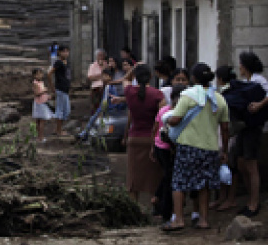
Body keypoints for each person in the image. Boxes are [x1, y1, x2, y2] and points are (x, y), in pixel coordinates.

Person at [162, 63, 230, 232]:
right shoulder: (219, 99)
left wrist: (167, 119)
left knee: (179, 182)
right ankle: (203, 220)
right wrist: (224, 150)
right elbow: (225, 128)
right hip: (210, 148)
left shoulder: (188, 96)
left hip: (189, 146)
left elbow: (176, 119)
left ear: (193, 78)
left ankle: (178, 219)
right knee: (204, 185)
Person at [236, 51, 268, 217]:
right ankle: (250, 200)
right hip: (245, 126)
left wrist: (259, 105)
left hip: (253, 127)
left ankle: (254, 203)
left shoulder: (258, 80)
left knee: (251, 164)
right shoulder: (248, 81)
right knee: (241, 162)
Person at [123, 65, 166, 202]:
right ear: (151, 77)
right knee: (153, 177)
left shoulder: (129, 92)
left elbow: (125, 79)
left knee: (133, 178)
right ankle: (154, 207)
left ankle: (134, 207)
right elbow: (161, 119)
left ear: (135, 77)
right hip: (151, 140)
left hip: (134, 139)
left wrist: (134, 68)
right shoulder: (158, 94)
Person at [151, 84, 186, 221]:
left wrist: (153, 147)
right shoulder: (175, 113)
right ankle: (166, 211)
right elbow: (156, 129)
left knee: (168, 177)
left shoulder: (164, 110)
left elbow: (155, 130)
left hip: (161, 147)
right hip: (167, 148)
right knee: (170, 179)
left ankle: (159, 200)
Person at [209, 65, 242, 212]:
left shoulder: (224, 95)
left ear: (220, 79)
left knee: (230, 166)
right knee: (224, 166)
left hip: (229, 134)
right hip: (229, 134)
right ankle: (223, 197)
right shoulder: (233, 92)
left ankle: (230, 198)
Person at [77, 71, 125, 141]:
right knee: (93, 120)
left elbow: (107, 100)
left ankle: (85, 135)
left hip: (108, 108)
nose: (103, 78)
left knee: (95, 121)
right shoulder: (107, 87)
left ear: (110, 77)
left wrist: (102, 110)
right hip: (105, 108)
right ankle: (85, 134)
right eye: (103, 76)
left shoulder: (110, 87)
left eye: (105, 76)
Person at [48, 45, 71, 136]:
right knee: (60, 110)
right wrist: (52, 87)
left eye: (67, 51)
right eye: (63, 51)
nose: (66, 53)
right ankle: (59, 130)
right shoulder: (58, 62)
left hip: (65, 89)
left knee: (66, 110)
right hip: (60, 89)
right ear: (59, 52)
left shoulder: (66, 63)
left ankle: (58, 128)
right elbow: (49, 73)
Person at [31, 68, 53, 143]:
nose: (40, 75)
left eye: (41, 74)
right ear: (34, 75)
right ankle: (41, 137)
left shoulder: (41, 82)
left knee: (39, 121)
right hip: (40, 104)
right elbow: (37, 93)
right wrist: (44, 91)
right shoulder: (35, 83)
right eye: (37, 74)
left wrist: (47, 96)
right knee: (41, 121)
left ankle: (39, 136)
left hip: (42, 102)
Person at [87, 49, 108, 114]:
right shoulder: (92, 65)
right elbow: (90, 77)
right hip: (95, 88)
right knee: (95, 106)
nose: (101, 57)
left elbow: (108, 77)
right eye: (99, 55)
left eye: (102, 55)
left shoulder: (107, 65)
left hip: (105, 87)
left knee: (104, 105)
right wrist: (101, 75)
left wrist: (98, 76)